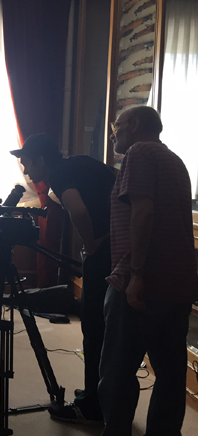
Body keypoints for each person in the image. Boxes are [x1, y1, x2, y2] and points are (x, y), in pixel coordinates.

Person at [98, 106, 198, 436]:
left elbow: (143, 212)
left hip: (141, 279)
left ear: (135, 125)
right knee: (170, 375)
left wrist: (136, 274)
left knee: (117, 372)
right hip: (178, 281)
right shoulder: (174, 160)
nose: (114, 132)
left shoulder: (139, 153)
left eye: (118, 125)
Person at [11, 133, 115, 425]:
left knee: (93, 326)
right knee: (105, 327)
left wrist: (91, 244)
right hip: (120, 246)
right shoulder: (80, 163)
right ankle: (100, 393)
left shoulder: (60, 174)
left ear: (42, 160)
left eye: (27, 163)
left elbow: (78, 209)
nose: (27, 171)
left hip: (106, 251)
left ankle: (91, 408)